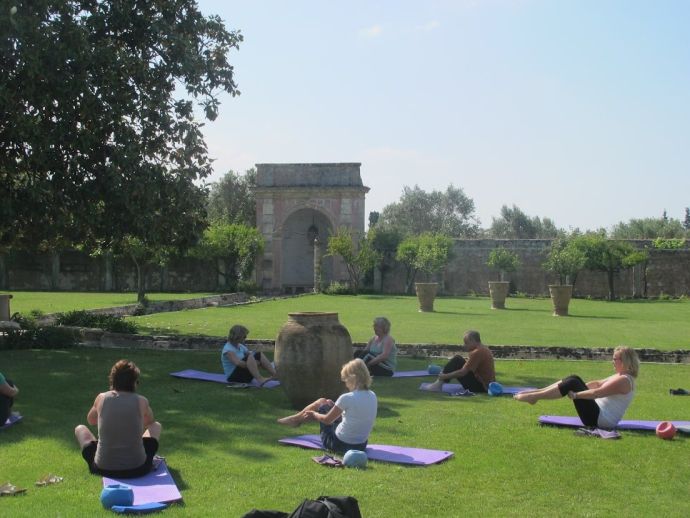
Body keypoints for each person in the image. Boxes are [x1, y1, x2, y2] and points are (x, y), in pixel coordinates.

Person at [514, 346, 640, 429]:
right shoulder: (620, 375)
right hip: (598, 415)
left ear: (624, 361)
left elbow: (597, 393)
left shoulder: (624, 380)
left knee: (573, 382)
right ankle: (537, 393)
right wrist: (579, 385)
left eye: (615, 359)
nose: (612, 361)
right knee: (574, 379)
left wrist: (576, 395)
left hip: (600, 420)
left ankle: (534, 396)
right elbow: (597, 383)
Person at [75, 360, 162, 478]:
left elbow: (91, 420)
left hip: (102, 468)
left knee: (80, 428)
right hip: (138, 468)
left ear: (113, 380)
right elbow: (149, 422)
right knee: (156, 426)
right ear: (134, 382)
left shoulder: (101, 398)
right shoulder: (142, 401)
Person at [276, 358, 377, 454]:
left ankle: (295, 420)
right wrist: (336, 408)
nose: (346, 384)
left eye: (346, 380)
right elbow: (355, 416)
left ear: (352, 378)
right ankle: (296, 419)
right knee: (324, 401)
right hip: (361, 446)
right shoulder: (372, 395)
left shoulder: (347, 397)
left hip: (339, 445)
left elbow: (327, 420)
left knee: (322, 405)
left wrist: (314, 414)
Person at [423, 330, 495, 393]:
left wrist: (444, 376)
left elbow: (463, 372)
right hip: (486, 385)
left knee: (457, 360)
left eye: (466, 343)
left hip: (481, 388)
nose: (464, 345)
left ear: (473, 341)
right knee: (458, 359)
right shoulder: (483, 348)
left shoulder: (477, 352)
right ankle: (439, 383)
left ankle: (438, 384)